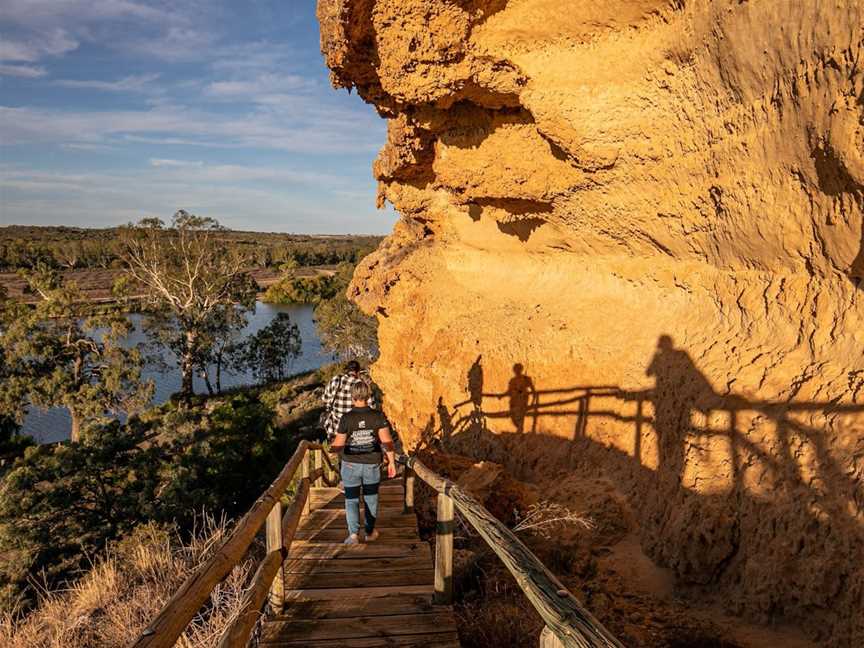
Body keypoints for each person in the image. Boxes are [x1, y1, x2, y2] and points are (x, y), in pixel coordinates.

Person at [330, 381, 397, 544]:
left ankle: (353, 535)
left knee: (351, 499)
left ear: (352, 397)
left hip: (350, 464)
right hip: (372, 464)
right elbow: (387, 442)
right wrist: (392, 463)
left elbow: (338, 445)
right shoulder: (377, 416)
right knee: (371, 499)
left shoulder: (346, 418)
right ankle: (369, 532)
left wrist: (332, 451)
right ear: (368, 396)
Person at [322, 360, 377, 441]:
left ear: (347, 370)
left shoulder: (336, 380)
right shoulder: (362, 385)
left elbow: (325, 399)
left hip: (335, 429)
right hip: (355, 431)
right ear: (358, 372)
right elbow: (372, 407)